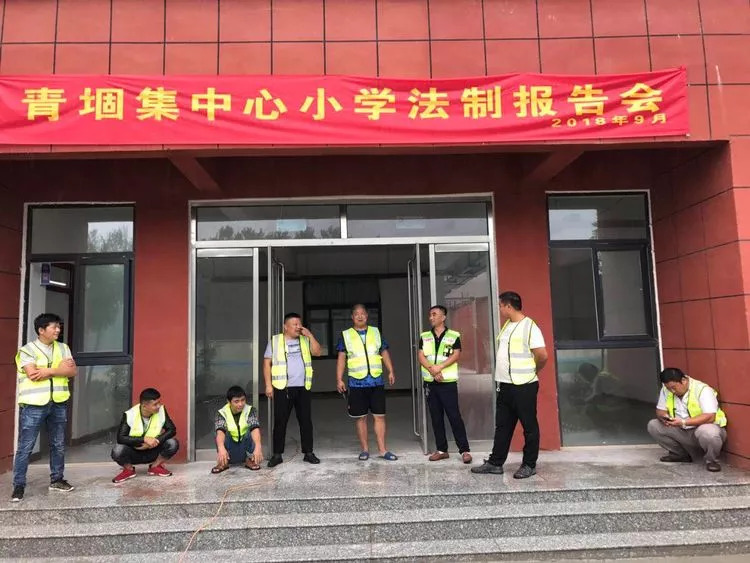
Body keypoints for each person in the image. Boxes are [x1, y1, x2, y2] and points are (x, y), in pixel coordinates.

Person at [472, 291, 547, 479]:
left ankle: (529, 464)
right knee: (503, 426)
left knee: (529, 426)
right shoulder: (507, 325)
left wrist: (533, 371)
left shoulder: (530, 327)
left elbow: (542, 355)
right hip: (505, 385)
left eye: (500, 305)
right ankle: (496, 462)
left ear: (508, 306)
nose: (499, 309)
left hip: (524, 385)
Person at [11, 313, 77, 502]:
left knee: (58, 444)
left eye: (58, 327)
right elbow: (33, 374)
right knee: (26, 446)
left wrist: (47, 370)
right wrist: (59, 370)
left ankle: (57, 479)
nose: (58, 330)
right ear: (41, 330)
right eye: (54, 327)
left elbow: (72, 371)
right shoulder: (27, 350)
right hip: (34, 405)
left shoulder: (64, 348)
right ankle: (19, 485)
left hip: (58, 402)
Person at [336, 304, 397, 461]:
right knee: (361, 417)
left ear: (367, 316)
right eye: (356, 314)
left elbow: (384, 351)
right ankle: (365, 450)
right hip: (356, 383)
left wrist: (390, 370)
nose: (360, 316)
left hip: (376, 381)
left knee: (379, 416)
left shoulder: (375, 332)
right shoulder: (346, 335)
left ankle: (383, 450)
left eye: (362, 313)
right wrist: (339, 379)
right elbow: (341, 358)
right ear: (352, 317)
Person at [264, 312, 322, 467]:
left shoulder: (305, 339)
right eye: (295, 324)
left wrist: (310, 335)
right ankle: (277, 454)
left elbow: (318, 352)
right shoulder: (275, 341)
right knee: (280, 421)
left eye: (299, 324)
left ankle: (308, 453)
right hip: (282, 387)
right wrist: (268, 385)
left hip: (303, 387)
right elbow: (266, 364)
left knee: (305, 421)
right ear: (285, 326)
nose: (298, 327)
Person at [418, 305, 471, 464]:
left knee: (454, 416)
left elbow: (456, 355)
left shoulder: (454, 336)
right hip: (430, 383)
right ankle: (442, 450)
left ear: (443, 317)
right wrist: (433, 371)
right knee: (436, 417)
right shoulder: (425, 336)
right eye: (430, 315)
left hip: (447, 383)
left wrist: (439, 368)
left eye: (434, 314)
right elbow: (421, 356)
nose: (431, 317)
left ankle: (464, 450)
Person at [647, 367, 728, 472]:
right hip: (681, 429)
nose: (672, 391)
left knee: (709, 432)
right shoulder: (667, 390)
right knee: (654, 425)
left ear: (684, 381)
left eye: (674, 387)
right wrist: (664, 418)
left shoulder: (702, 390)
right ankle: (680, 455)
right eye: (669, 388)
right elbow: (660, 410)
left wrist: (683, 422)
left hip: (702, 428)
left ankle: (711, 460)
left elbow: (710, 416)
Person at [111, 388, 179, 483]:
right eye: (155, 404)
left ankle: (155, 466)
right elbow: (121, 438)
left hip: (153, 450)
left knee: (172, 443)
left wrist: (156, 440)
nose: (159, 406)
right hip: (134, 452)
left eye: (159, 402)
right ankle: (129, 470)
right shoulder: (130, 415)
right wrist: (144, 439)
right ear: (144, 406)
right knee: (118, 450)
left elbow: (172, 430)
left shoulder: (161, 411)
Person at [212, 385, 263, 473]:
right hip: (229, 450)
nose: (240, 404)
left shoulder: (250, 410)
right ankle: (223, 462)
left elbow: (255, 428)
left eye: (243, 400)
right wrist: (221, 448)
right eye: (236, 401)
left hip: (245, 449)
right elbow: (220, 432)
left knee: (253, 429)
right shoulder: (222, 413)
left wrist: (258, 447)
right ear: (229, 402)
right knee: (219, 432)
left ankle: (250, 460)